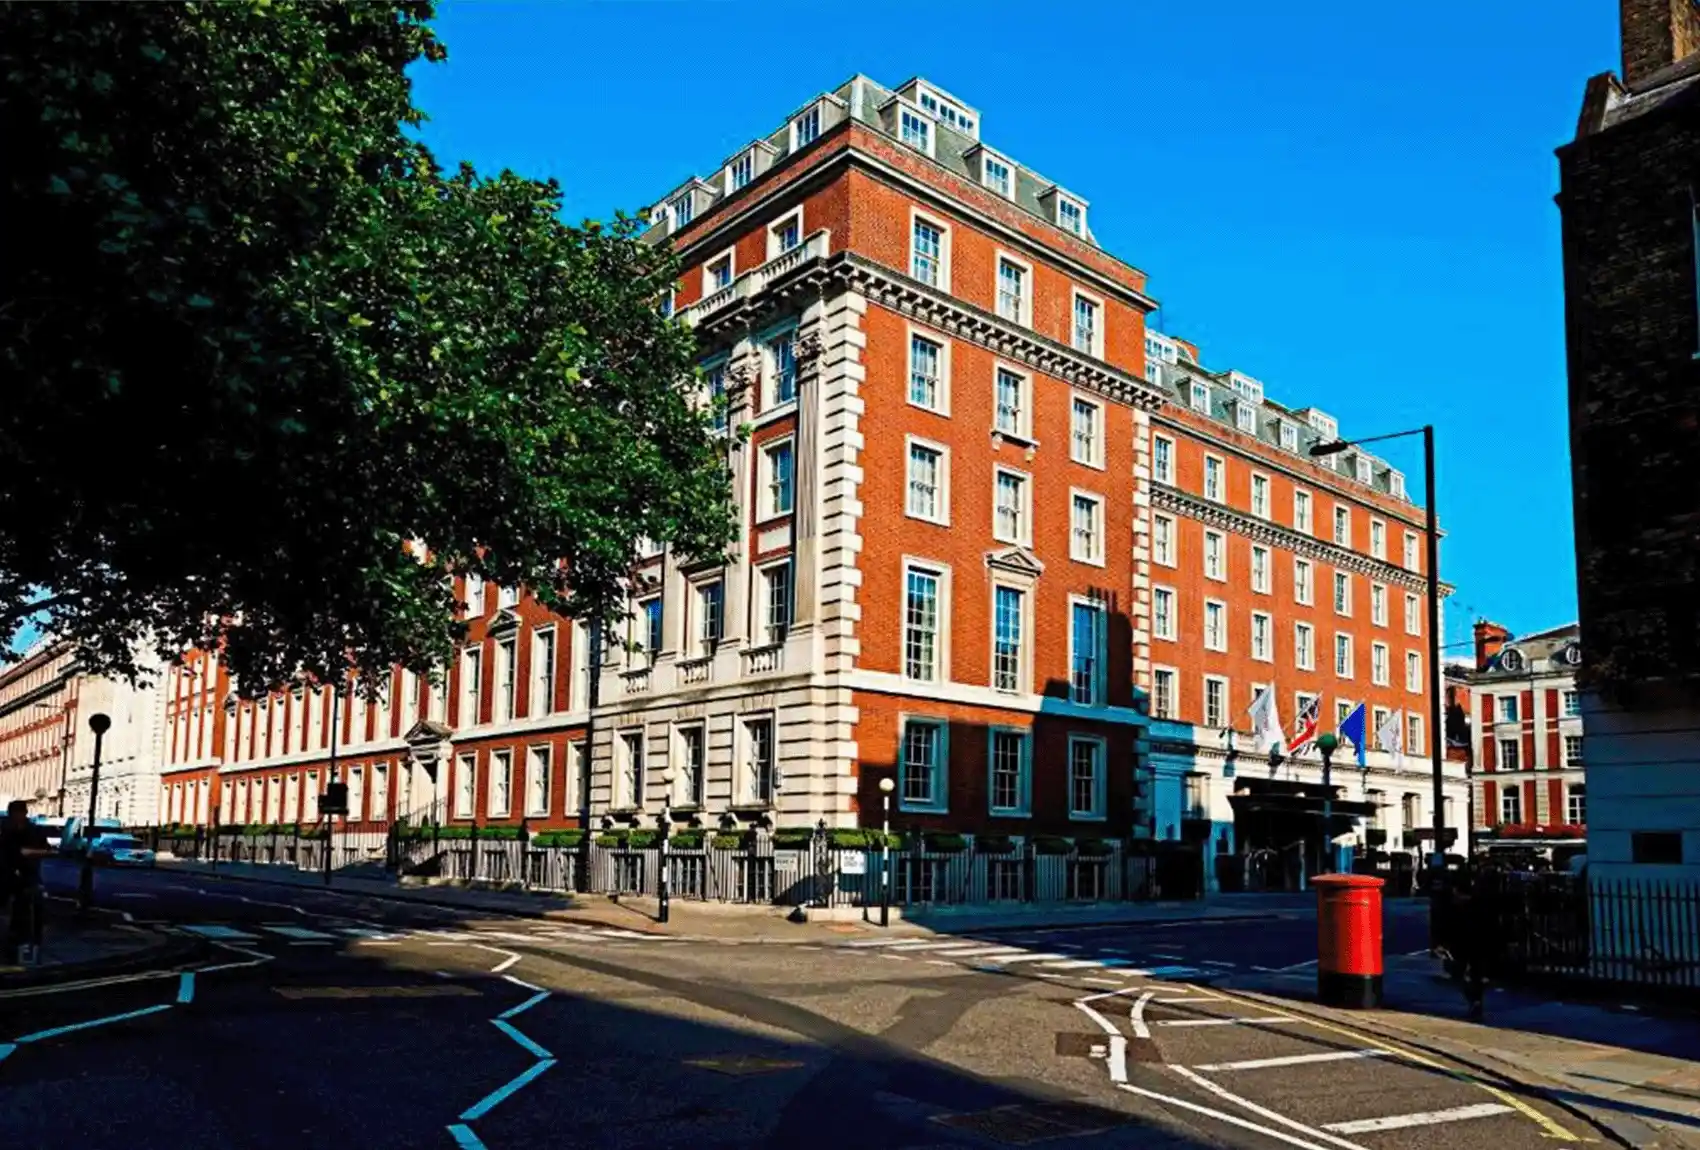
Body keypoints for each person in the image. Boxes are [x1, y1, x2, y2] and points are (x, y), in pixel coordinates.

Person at [1, 800, 52, 966]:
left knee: (31, 905)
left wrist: (29, 852)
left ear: (24, 814)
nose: (14, 818)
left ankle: (29, 942)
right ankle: (11, 942)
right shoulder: (4, 830)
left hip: (28, 875)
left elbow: (48, 850)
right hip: (6, 875)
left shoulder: (34, 831)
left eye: (17, 814)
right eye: (12, 815)